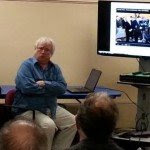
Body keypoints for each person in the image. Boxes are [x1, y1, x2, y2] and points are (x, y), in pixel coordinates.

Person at [12, 37, 77, 150]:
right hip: (28, 109)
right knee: (49, 125)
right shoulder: (26, 66)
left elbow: (62, 88)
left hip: (51, 107)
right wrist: (51, 88)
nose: (43, 52)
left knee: (74, 122)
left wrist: (44, 83)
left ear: (51, 53)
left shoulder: (55, 68)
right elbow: (27, 88)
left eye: (47, 50)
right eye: (40, 48)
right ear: (35, 49)